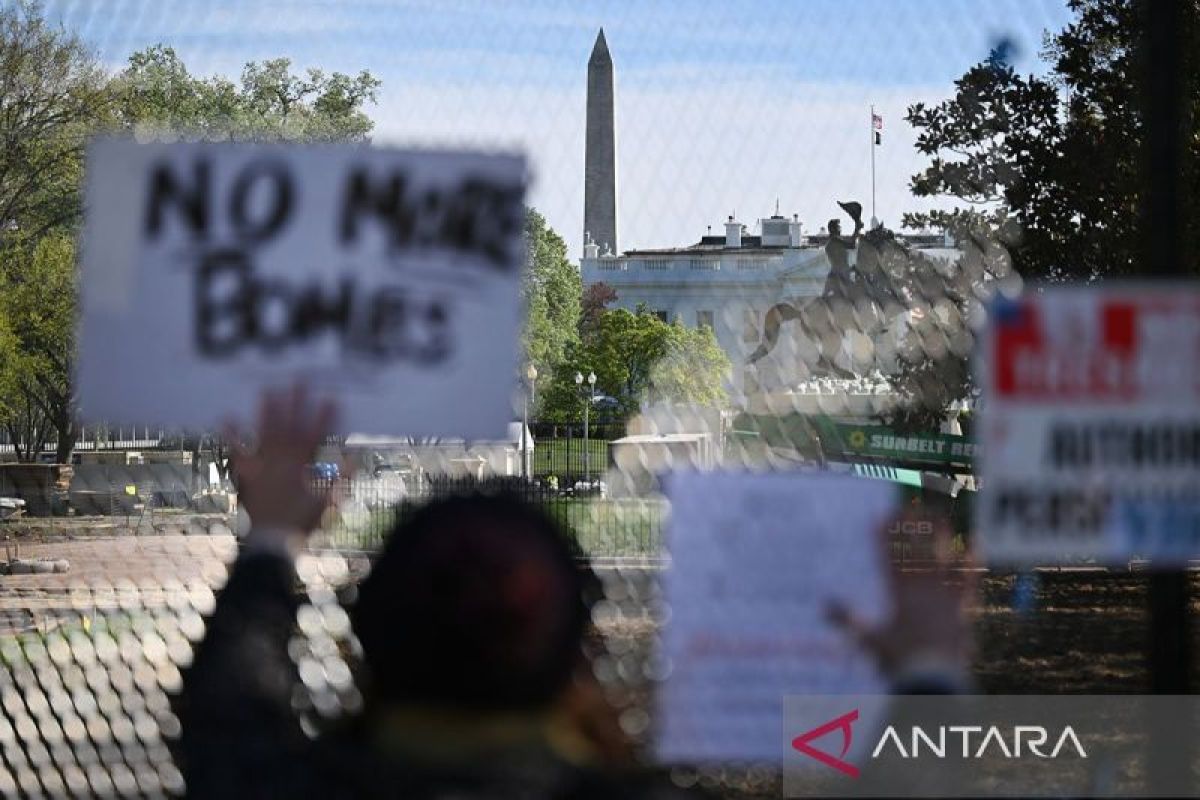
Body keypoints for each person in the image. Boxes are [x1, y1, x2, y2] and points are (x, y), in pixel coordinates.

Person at [173, 386, 703, 799]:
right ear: (578, 653)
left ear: (366, 632)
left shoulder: (279, 786)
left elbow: (231, 700)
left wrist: (272, 539)